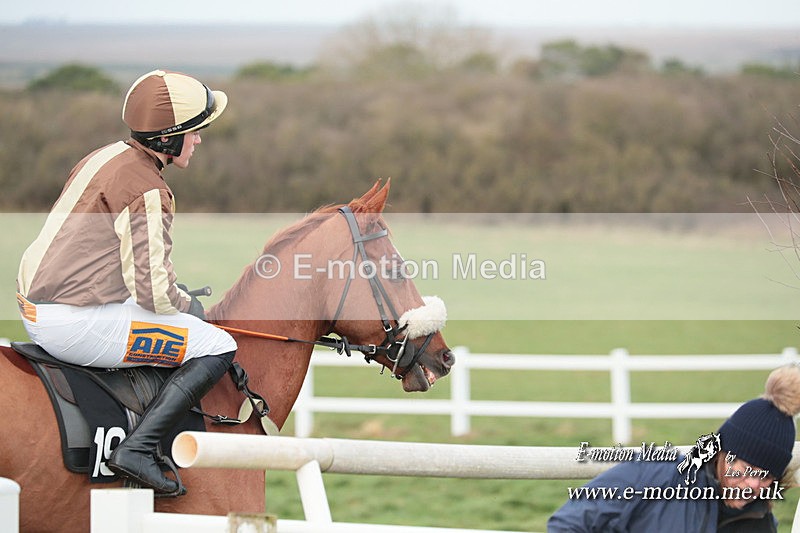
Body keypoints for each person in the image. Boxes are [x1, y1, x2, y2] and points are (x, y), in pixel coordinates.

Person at [16, 69, 237, 495]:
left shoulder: (105, 156)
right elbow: (154, 293)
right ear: (169, 138)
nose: (199, 140)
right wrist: (185, 304)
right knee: (217, 344)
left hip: (38, 304)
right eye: (194, 132)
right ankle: (137, 450)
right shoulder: (150, 189)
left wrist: (173, 293)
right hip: (73, 323)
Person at [548, 364, 800, 532]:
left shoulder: (760, 524)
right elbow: (567, 523)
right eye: (746, 469)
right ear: (721, 454)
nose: (753, 485)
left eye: (765, 476)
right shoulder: (653, 476)